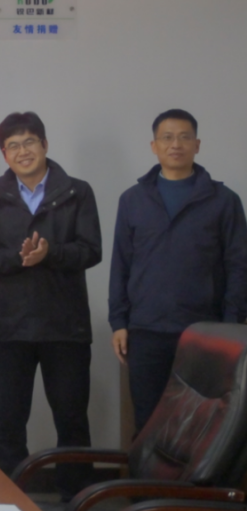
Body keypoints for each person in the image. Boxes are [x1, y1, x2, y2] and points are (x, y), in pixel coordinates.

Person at [0, 112, 101, 501]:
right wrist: (20, 257)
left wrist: (50, 253)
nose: (22, 151)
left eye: (29, 142)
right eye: (13, 145)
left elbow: (91, 250)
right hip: (12, 327)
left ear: (44, 145)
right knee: (9, 421)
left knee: (72, 420)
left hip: (66, 327)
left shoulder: (78, 192)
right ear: (4, 154)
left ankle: (76, 499)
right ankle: (10, 500)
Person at [109, 109, 247, 433]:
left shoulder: (224, 201)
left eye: (185, 137)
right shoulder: (133, 200)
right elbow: (121, 263)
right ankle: (146, 472)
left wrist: (230, 326)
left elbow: (238, 266)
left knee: (201, 425)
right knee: (147, 422)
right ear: (154, 146)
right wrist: (119, 322)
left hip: (204, 332)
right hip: (146, 330)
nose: (176, 144)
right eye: (167, 137)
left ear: (197, 145)